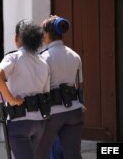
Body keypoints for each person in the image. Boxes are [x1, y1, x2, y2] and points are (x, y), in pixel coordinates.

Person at [0, 20, 50, 159]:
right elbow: (45, 92)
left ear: (17, 38)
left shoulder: (14, 57)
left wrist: (11, 100)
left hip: (20, 121)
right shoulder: (43, 61)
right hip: (39, 122)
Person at [36, 15, 84, 159]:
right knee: (73, 154)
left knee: (40, 152)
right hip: (74, 111)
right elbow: (78, 85)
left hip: (52, 113)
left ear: (47, 34)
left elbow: (40, 87)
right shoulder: (75, 56)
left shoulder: (44, 57)